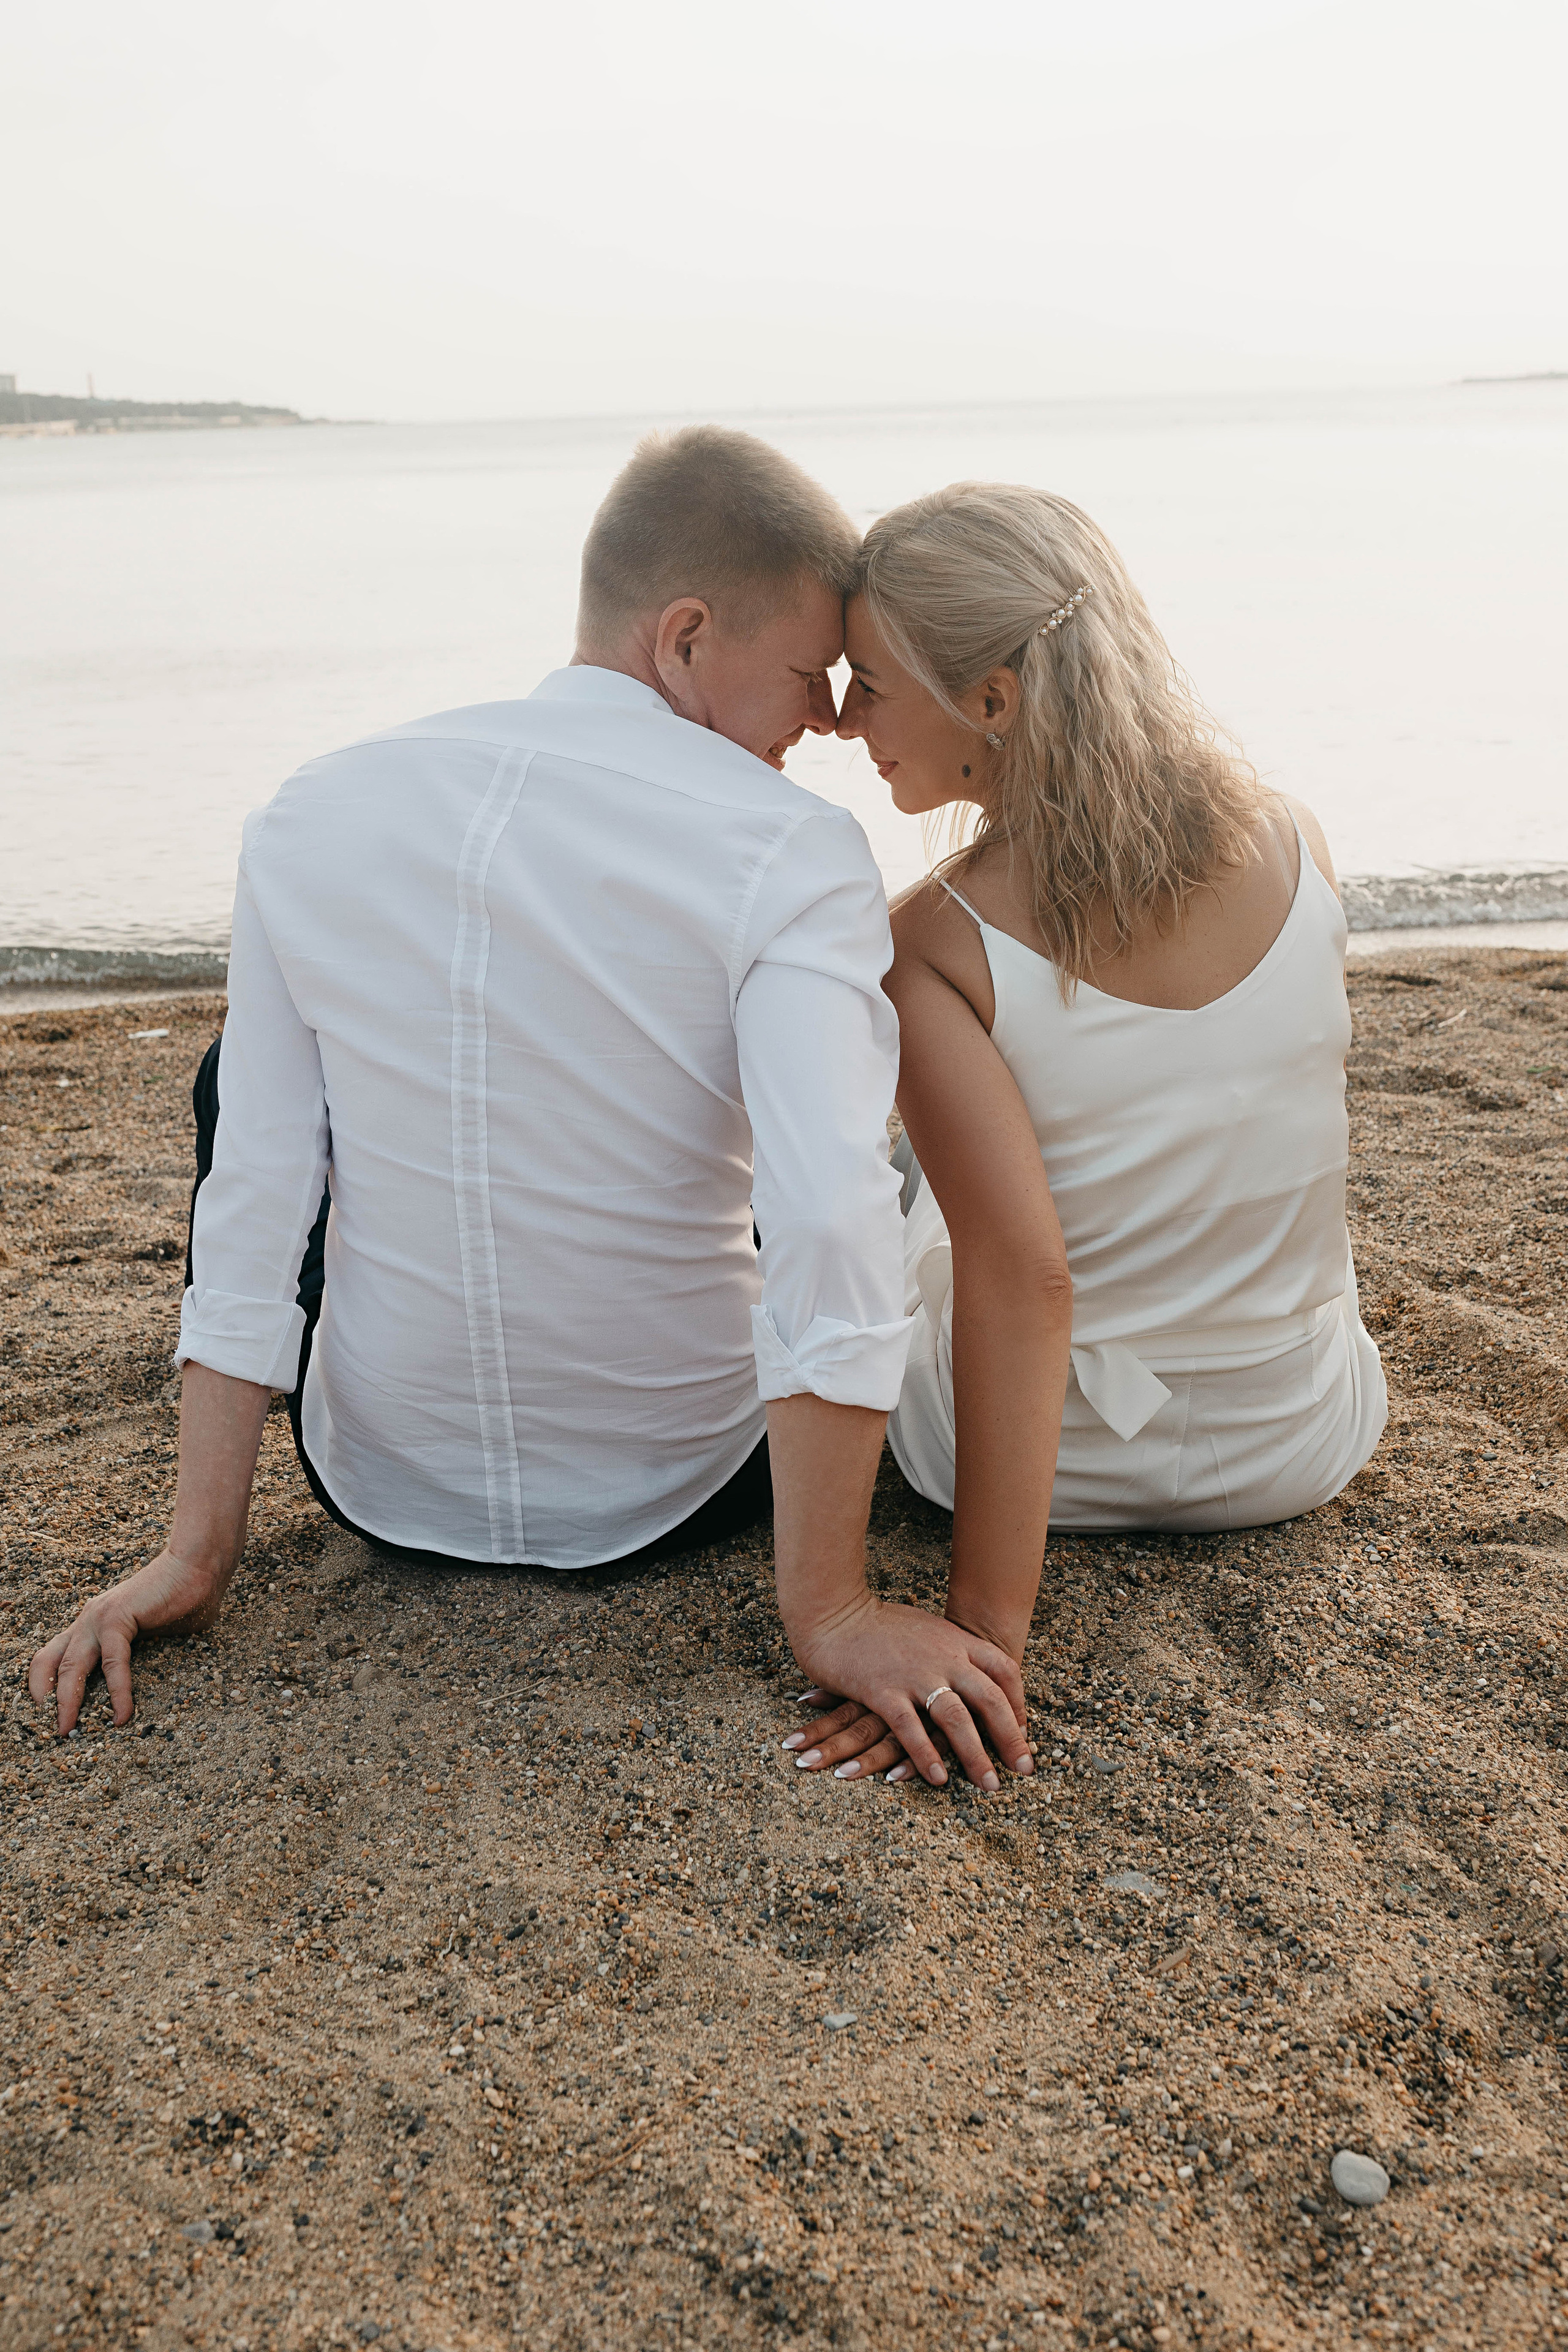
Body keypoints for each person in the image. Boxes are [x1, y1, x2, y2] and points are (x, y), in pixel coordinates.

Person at [31, 429, 1036, 1798]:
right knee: (819, 1134)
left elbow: (259, 1188)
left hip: (380, 1487)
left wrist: (196, 1552)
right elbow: (827, 1217)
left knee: (254, 1089)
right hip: (678, 1493)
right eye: (808, 679)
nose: (824, 725)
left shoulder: (310, 811)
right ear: (683, 637)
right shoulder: (787, 847)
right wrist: (832, 1612)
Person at [785, 481, 1385, 1787]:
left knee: (883, 1187)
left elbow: (1025, 1275)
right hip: (1297, 1442)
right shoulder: (1296, 840)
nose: (841, 720)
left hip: (1049, 1479)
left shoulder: (929, 940)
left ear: (988, 701)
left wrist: (981, 1638)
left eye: (872, 684)